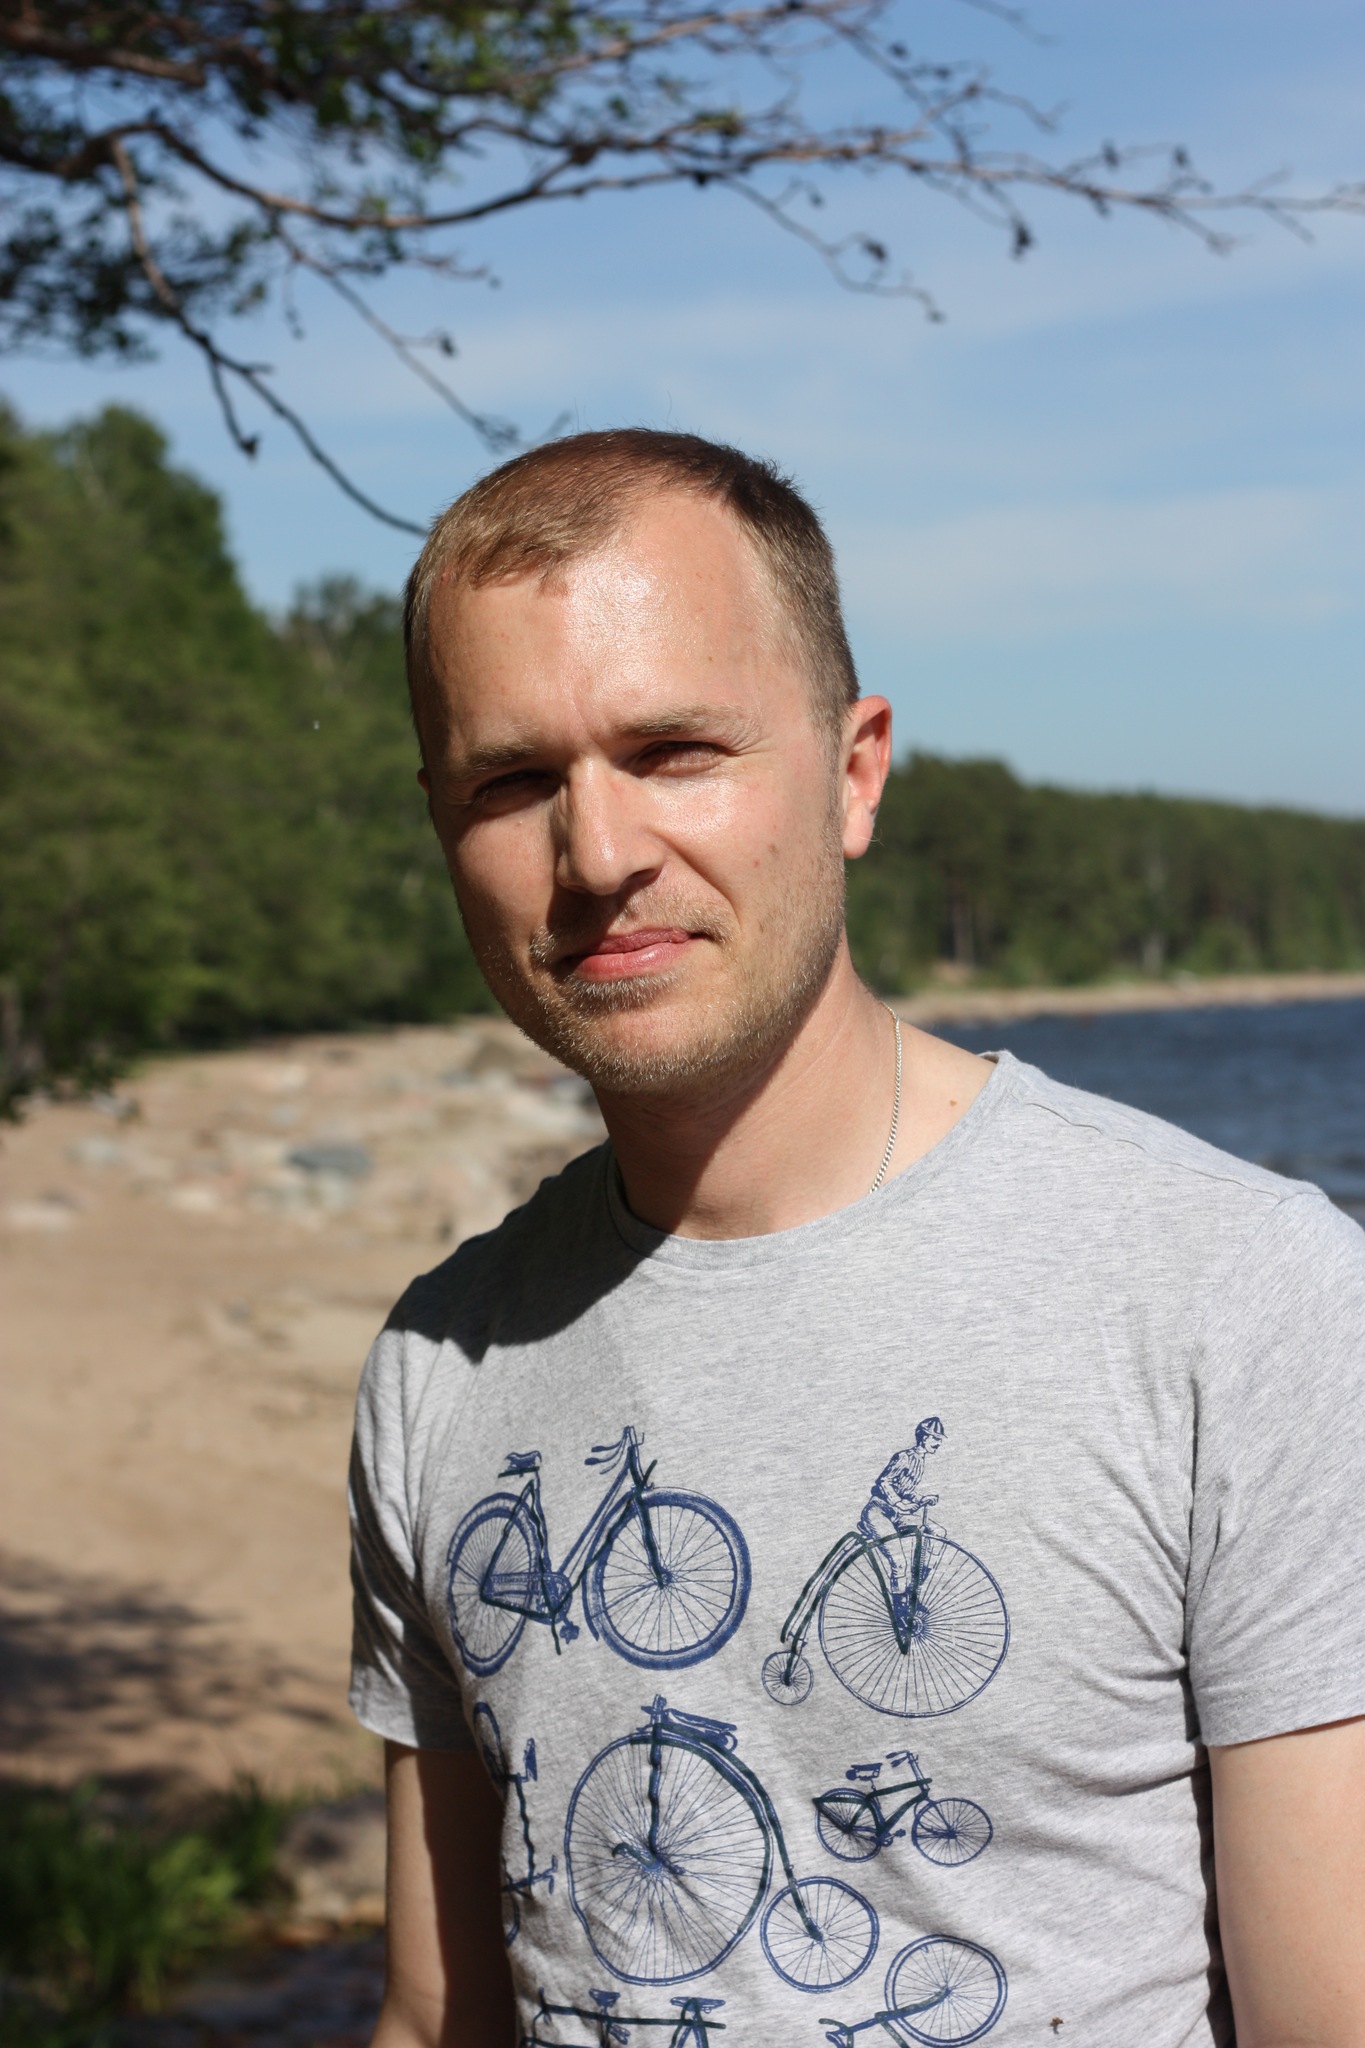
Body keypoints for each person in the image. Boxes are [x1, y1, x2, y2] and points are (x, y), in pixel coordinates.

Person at [348, 429, 1365, 2047]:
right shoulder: (438, 1364)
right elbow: (435, 2013)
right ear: (439, 826)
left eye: (675, 751)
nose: (597, 854)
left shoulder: (1238, 1299)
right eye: (513, 781)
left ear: (853, 772)